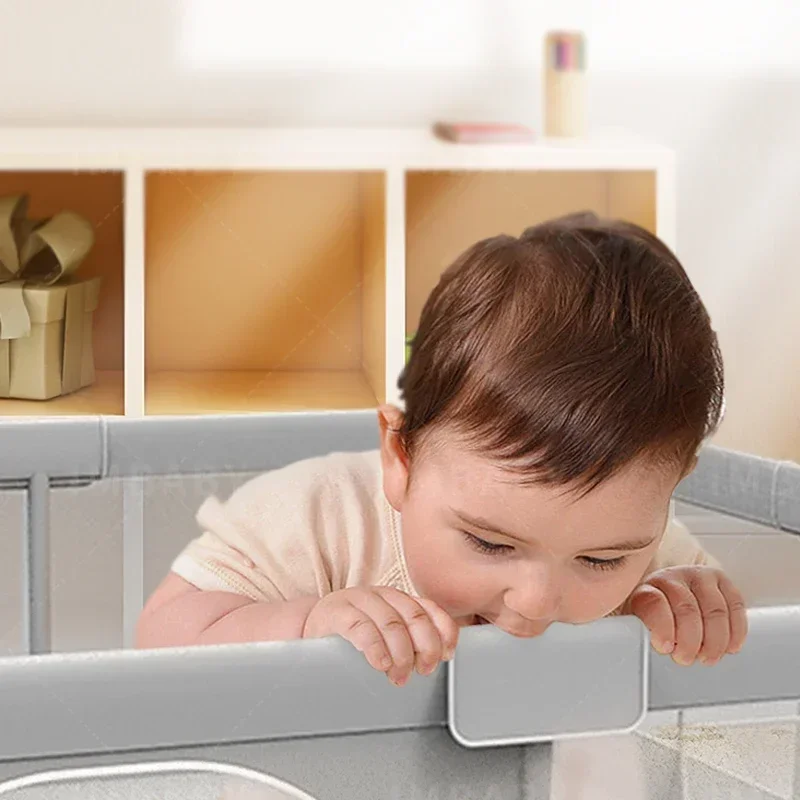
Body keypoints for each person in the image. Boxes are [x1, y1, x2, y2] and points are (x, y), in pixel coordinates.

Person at [136, 212, 748, 687]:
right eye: (489, 542)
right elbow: (158, 644)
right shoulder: (316, 516)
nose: (535, 602)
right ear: (400, 456)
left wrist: (697, 615)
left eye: (600, 562)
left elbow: (714, 708)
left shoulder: (653, 556)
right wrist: (302, 626)